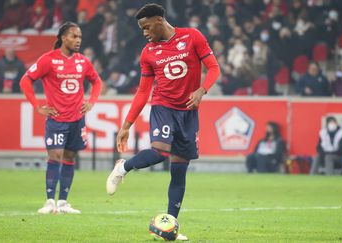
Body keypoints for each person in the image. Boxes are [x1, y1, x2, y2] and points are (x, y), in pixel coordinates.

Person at [105, 4, 220, 241]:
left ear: (160, 20)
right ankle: (122, 168)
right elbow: (142, 92)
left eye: (147, 27)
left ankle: (170, 227)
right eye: (142, 29)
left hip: (188, 112)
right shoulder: (148, 53)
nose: (145, 33)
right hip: (163, 107)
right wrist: (126, 125)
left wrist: (202, 90)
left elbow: (214, 68)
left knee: (179, 171)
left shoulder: (192, 36)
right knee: (159, 152)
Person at [19, 22, 102, 214]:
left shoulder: (83, 61)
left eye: (79, 37)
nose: (78, 40)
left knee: (70, 156)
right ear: (63, 38)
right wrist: (37, 106)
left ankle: (63, 203)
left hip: (77, 119)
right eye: (74, 36)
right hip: (57, 119)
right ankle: (49, 202)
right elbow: (26, 80)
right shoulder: (48, 60)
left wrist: (91, 101)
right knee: (55, 155)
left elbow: (96, 81)